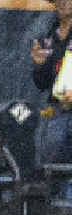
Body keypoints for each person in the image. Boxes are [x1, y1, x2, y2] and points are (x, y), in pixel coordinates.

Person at [34, 0, 72, 170]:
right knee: (53, 170)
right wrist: (40, 65)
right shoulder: (49, 35)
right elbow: (41, 83)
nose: (62, 2)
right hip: (57, 112)